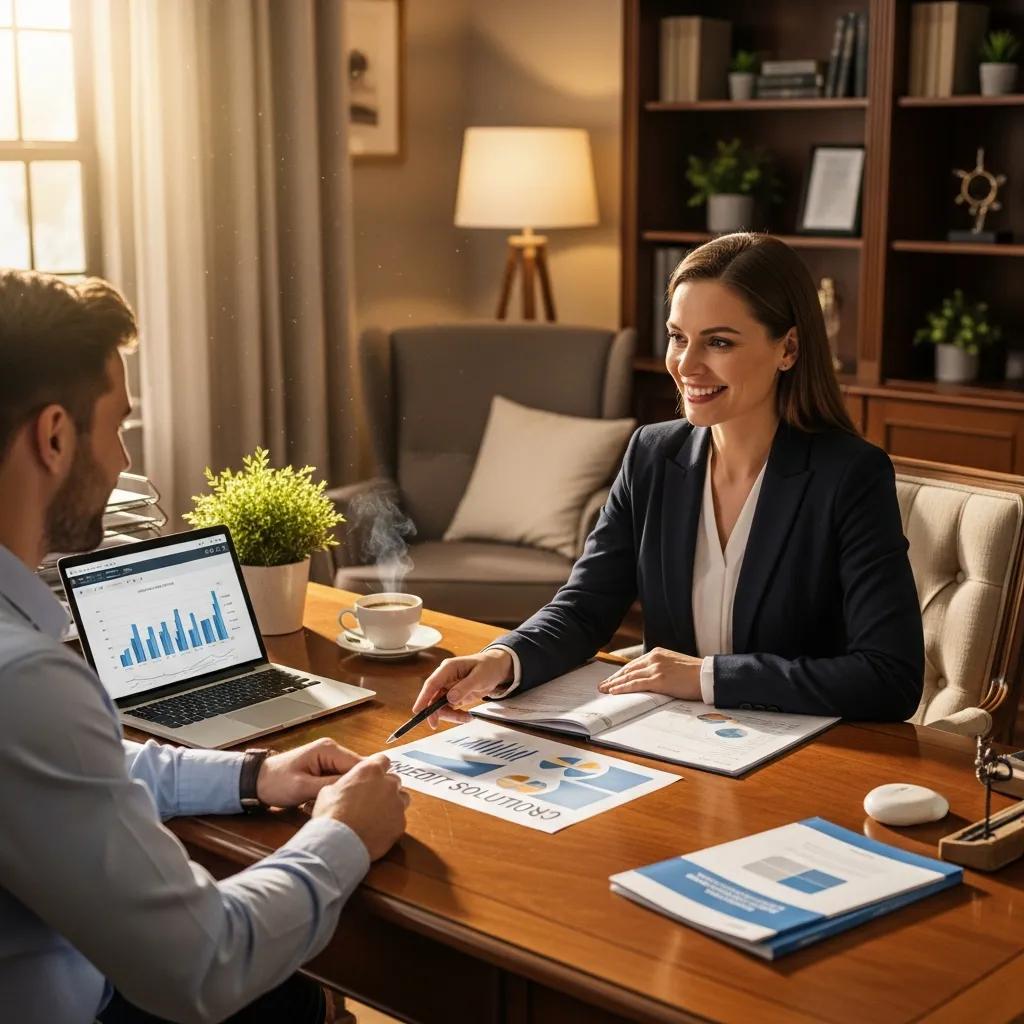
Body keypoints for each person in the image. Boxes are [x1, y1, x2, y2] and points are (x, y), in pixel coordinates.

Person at [0, 269, 409, 1024]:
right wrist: (344, 833)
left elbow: (63, 769)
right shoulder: (25, 681)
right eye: (116, 424)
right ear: (55, 436)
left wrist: (253, 776)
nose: (123, 459)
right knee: (294, 999)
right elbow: (207, 964)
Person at [412, 233, 924, 724]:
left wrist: (706, 677)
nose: (687, 365)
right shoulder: (652, 454)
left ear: (788, 349)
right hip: (673, 742)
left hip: (799, 758)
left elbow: (889, 677)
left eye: (718, 342)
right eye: (678, 338)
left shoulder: (849, 475)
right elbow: (586, 607)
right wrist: (502, 658)